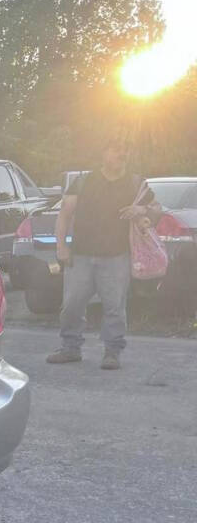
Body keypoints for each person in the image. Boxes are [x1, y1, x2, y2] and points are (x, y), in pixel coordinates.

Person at [46, 137, 160, 370]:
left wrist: (141, 209)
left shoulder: (136, 183)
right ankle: (70, 348)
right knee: (71, 305)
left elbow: (157, 210)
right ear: (103, 153)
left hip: (117, 256)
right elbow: (65, 214)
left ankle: (112, 352)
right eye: (116, 150)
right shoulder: (84, 181)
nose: (122, 155)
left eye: (125, 150)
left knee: (114, 307)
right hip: (81, 256)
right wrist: (61, 246)